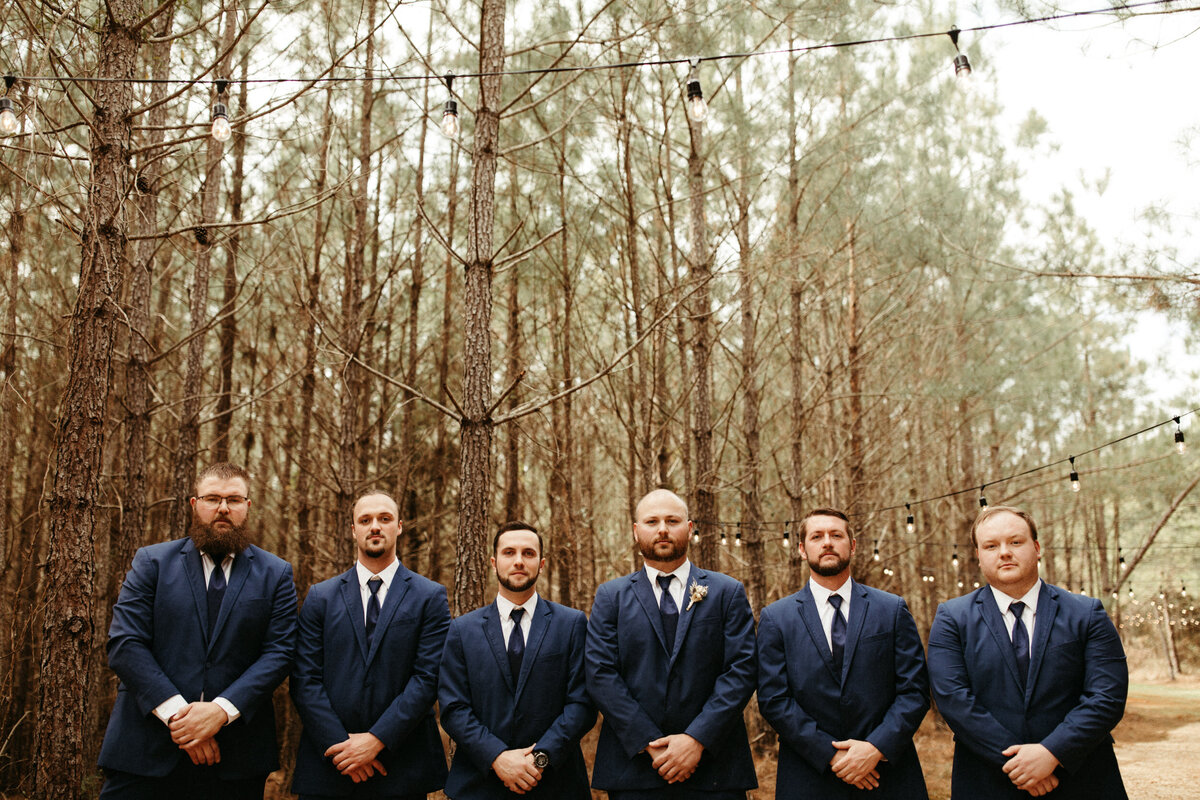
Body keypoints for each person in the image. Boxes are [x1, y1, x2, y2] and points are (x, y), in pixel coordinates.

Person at [98, 462, 298, 800]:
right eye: (212, 498)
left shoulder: (275, 574)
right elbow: (125, 643)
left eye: (234, 500)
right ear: (194, 504)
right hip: (145, 751)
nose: (223, 508)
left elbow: (280, 652)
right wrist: (182, 719)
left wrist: (220, 712)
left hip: (234, 759)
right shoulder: (152, 563)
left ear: (247, 507)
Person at [927, 505, 1128, 799]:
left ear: (1036, 548)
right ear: (979, 557)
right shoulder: (952, 618)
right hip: (987, 780)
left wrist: (1052, 753)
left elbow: (1107, 695)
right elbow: (953, 698)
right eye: (991, 546)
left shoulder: (1087, 613)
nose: (1004, 552)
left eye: (1015, 542)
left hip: (1081, 776)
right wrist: (1019, 765)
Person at [586, 488, 757, 799]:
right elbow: (600, 674)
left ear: (689, 528)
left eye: (672, 520)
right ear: (636, 532)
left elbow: (741, 670)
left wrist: (696, 739)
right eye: (652, 521)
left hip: (714, 770)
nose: (662, 529)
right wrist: (649, 742)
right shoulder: (611, 597)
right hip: (635, 769)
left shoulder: (726, 592)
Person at [756, 507, 930, 798]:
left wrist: (875, 748)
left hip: (887, 776)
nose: (827, 542)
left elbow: (915, 690)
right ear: (801, 549)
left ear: (852, 545)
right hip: (809, 776)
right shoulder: (776, 618)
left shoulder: (891, 609)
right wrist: (831, 755)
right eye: (817, 536)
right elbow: (774, 699)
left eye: (836, 535)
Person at [290, 491, 451, 799]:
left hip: (401, 766)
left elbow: (428, 678)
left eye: (384, 519)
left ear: (399, 526)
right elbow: (303, 679)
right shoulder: (320, 597)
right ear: (353, 530)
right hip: (330, 765)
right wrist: (343, 747)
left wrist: (376, 740)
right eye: (365, 520)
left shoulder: (429, 597)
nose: (375, 526)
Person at [438, 521, 596, 799]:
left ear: (542, 563)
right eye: (509, 552)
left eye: (528, 553)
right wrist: (497, 757)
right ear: (493, 561)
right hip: (479, 785)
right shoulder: (463, 630)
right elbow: (454, 708)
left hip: (555, 785)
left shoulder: (571, 624)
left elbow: (582, 704)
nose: (519, 561)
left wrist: (539, 759)